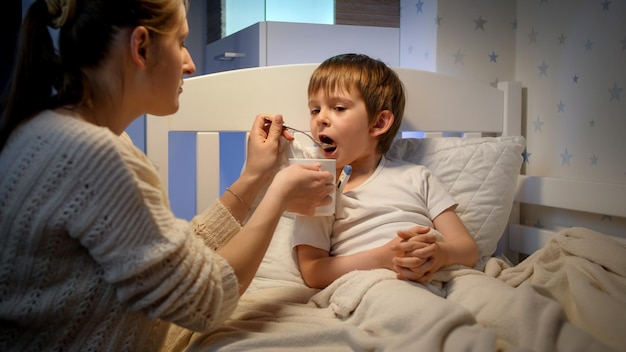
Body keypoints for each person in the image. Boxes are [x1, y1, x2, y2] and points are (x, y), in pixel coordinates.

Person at [0, 0, 334, 350]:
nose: (189, 65)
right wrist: (277, 196)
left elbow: (168, 265)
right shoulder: (94, 156)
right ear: (141, 47)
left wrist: (254, 178)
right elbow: (206, 301)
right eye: (181, 43)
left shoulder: (57, 133)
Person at [293, 53, 479, 289]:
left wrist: (439, 254)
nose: (321, 119)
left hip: (438, 278)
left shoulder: (418, 177)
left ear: (378, 123)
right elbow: (313, 272)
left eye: (338, 108)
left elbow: (468, 250)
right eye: (315, 110)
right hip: (372, 283)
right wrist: (383, 258)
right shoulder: (318, 189)